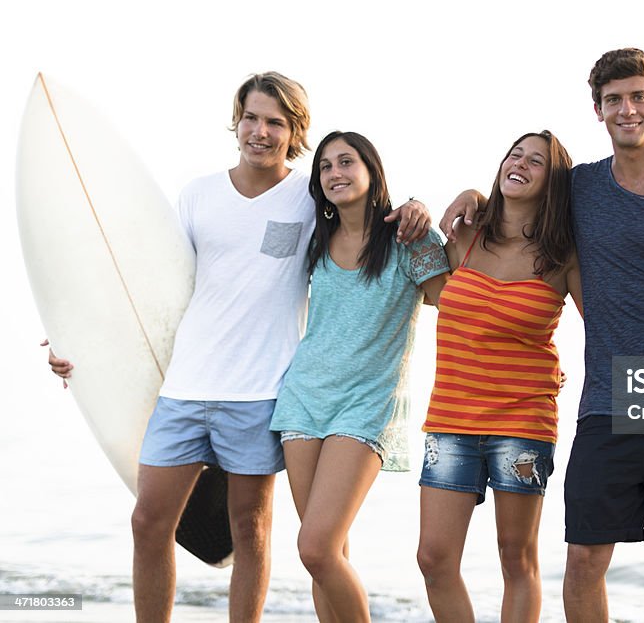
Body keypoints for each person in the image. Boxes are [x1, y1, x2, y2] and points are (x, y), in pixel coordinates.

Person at [45, 75, 429, 623]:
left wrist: (416, 204)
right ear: (237, 120)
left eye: (276, 122)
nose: (260, 131)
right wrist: (75, 341)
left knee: (250, 529)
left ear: (294, 131)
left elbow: (370, 210)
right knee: (148, 522)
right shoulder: (198, 194)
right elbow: (147, 286)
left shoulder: (310, 196)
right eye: (252, 117)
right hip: (184, 388)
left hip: (262, 393)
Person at [440, 49, 644, 623]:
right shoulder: (579, 188)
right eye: (613, 101)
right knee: (582, 557)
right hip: (608, 395)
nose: (626, 110)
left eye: (637, 97)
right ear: (598, 111)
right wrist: (473, 197)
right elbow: (514, 198)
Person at [269, 131, 449, 623]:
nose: (335, 174)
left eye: (346, 162)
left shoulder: (412, 238)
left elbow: (456, 307)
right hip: (303, 398)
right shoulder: (312, 236)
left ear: (371, 170)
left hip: (367, 405)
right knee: (327, 558)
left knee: (315, 547)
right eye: (325, 167)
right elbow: (249, 271)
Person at [416, 130, 581, 623]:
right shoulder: (464, 237)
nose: (522, 164)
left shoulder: (561, 256)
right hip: (450, 419)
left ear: (552, 184)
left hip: (522, 423)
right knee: (434, 558)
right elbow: (416, 275)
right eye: (516, 154)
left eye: (537, 162)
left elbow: (609, 325)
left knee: (516, 558)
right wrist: (417, 205)